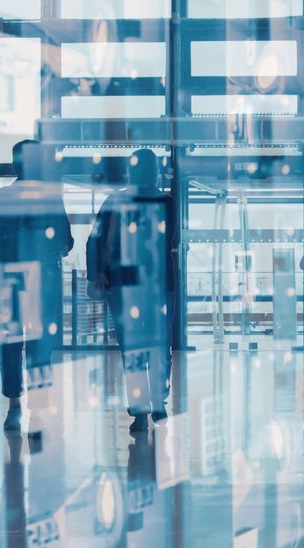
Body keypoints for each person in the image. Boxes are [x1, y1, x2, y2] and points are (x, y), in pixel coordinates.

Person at [0, 140, 74, 432]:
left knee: (10, 345)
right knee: (40, 348)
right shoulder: (50, 198)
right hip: (41, 280)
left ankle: (14, 407)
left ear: (15, 166)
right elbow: (66, 241)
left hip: (6, 280)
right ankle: (37, 409)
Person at [87, 149, 176, 433]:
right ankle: (153, 403)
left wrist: (96, 275)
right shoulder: (165, 202)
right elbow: (170, 237)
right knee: (158, 347)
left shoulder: (117, 201)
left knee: (137, 349)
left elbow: (95, 241)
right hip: (154, 284)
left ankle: (144, 409)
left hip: (130, 285)